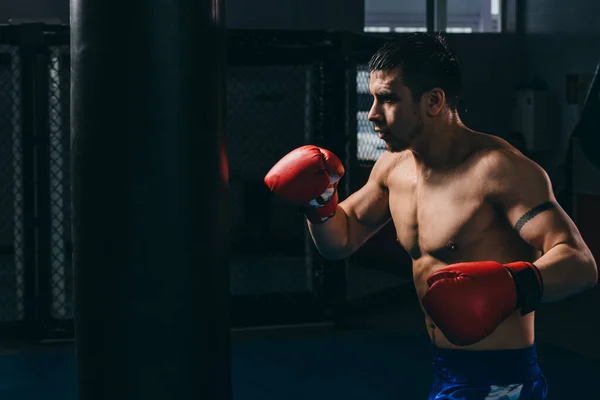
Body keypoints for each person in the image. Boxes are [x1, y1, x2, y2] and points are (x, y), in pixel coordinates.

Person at [264, 33, 598, 399]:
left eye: (388, 98)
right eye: (373, 97)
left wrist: (512, 285)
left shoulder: (499, 171)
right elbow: (340, 240)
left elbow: (580, 264)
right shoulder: (393, 168)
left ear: (434, 101)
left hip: (502, 379)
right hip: (445, 370)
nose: (373, 113)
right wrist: (320, 203)